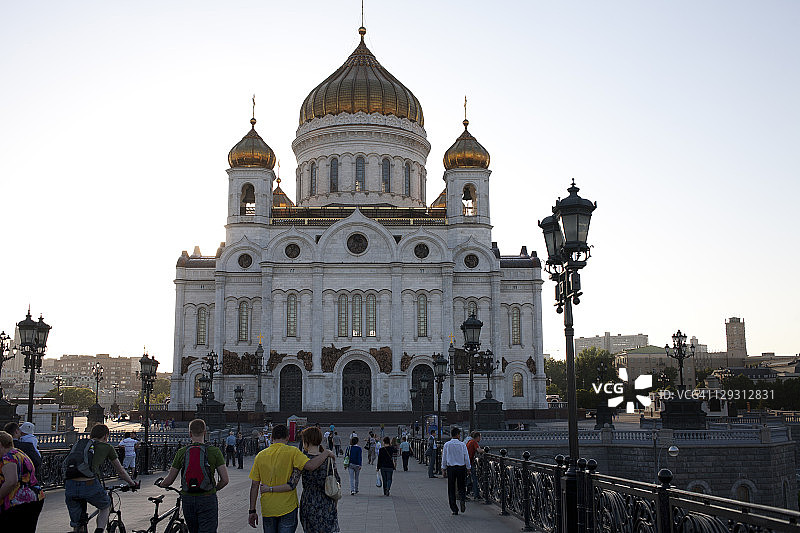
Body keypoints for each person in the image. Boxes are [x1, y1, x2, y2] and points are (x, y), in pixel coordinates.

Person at [248, 423, 334, 532]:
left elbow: (254, 486)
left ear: (271, 437)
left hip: (268, 508)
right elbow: (311, 466)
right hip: (288, 507)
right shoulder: (293, 452)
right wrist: (326, 453)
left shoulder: (260, 456)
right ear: (288, 437)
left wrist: (252, 511)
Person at [158, 418, 228, 533]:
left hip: (188, 498)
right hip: (207, 498)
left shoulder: (182, 452)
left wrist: (161, 484)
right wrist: (213, 489)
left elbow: (169, 480)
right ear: (205, 433)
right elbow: (225, 480)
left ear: (190, 433)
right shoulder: (214, 451)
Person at [65, 424, 138, 532]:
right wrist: (132, 483)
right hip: (89, 484)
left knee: (78, 523)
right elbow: (121, 471)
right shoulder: (107, 447)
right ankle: (99, 531)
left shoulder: (79, 444)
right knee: (105, 505)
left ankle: (78, 528)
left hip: (70, 484)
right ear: (105, 436)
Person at [294, 427, 340, 532]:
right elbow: (337, 481)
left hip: (308, 502)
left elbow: (293, 481)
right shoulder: (329, 459)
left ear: (306, 441)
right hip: (327, 502)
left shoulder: (302, 459)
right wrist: (334, 505)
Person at [0, 430, 44, 531]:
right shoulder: (19, 453)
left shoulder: (8, 458)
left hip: (17, 502)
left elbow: (11, 482)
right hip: (34, 497)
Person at [441, 427, 470, 515]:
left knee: (451, 488)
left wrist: (443, 468)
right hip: (461, 467)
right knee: (461, 486)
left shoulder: (447, 444)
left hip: (451, 468)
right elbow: (466, 457)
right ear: (457, 435)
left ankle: (454, 508)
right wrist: (468, 468)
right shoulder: (462, 445)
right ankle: (462, 499)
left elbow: (444, 457)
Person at [466, 432, 484, 499]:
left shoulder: (469, 441)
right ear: (477, 437)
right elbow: (479, 451)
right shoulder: (474, 442)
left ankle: (468, 492)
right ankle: (476, 494)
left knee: (468, 478)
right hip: (469, 463)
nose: (480, 438)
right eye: (480, 437)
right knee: (474, 478)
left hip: (466, 462)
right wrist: (485, 450)